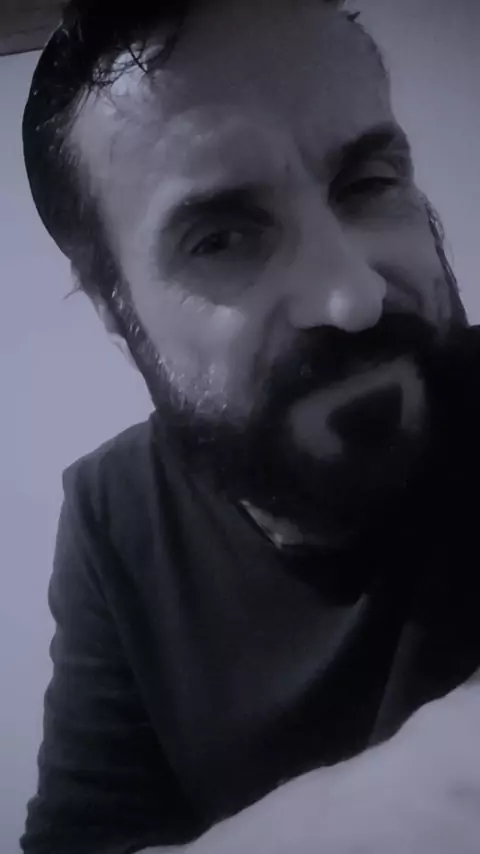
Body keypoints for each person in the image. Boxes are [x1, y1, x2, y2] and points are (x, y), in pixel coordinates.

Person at [20, 1, 480, 852]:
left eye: (368, 183)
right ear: (118, 312)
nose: (352, 297)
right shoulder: (113, 514)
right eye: (222, 238)